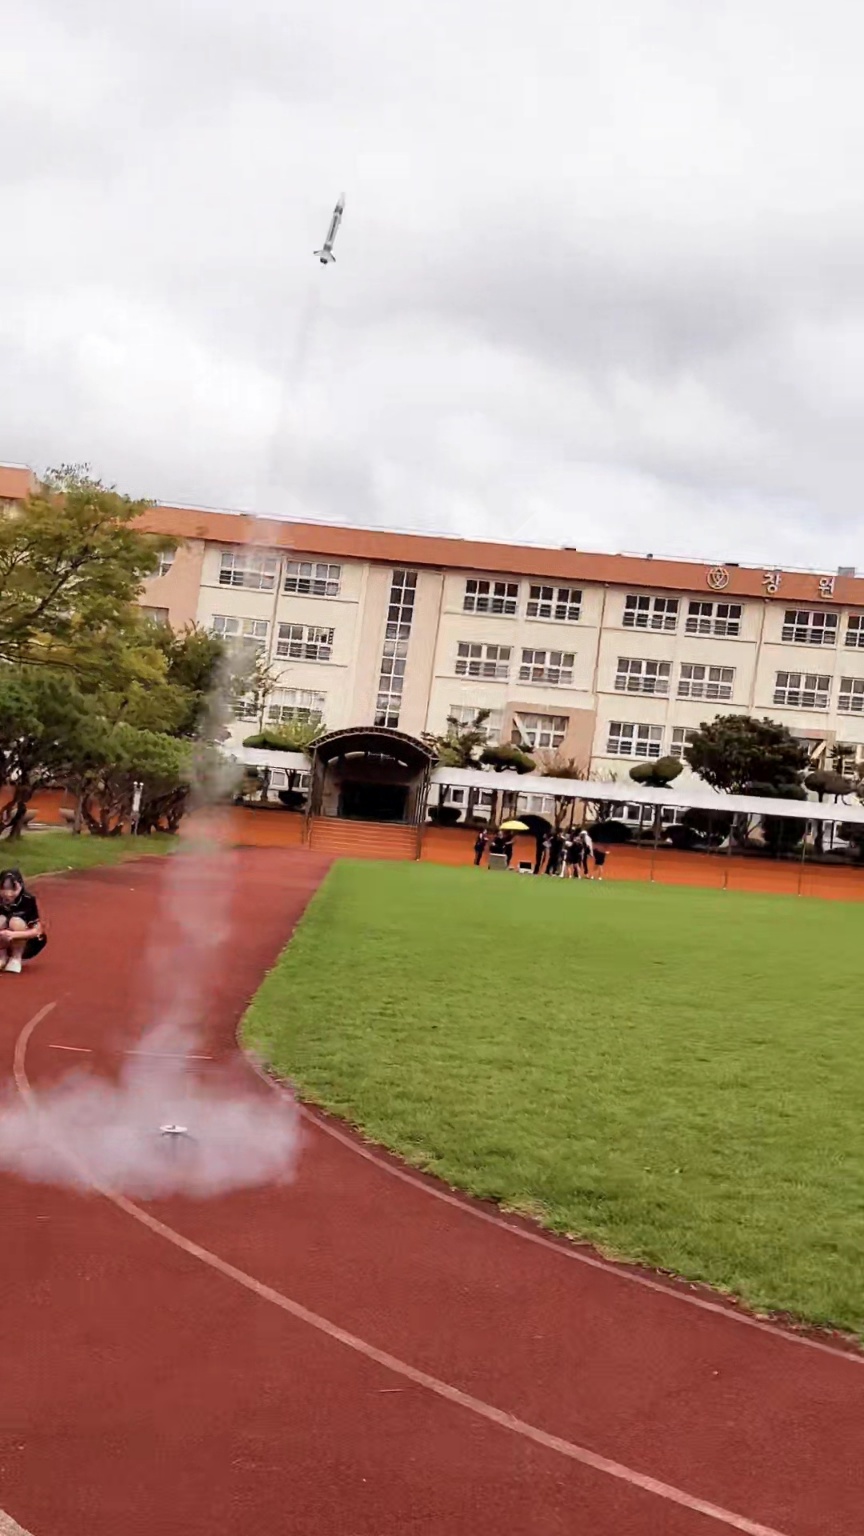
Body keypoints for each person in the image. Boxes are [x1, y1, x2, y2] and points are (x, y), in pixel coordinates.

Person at [0, 868, 47, 974]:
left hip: (28, 943)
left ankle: (16, 958)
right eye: (3, 888)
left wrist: (13, 935)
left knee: (16, 922)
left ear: (20, 887)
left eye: (13, 889)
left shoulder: (28, 900)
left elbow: (37, 931)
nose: (7, 893)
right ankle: (2, 956)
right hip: (3, 942)